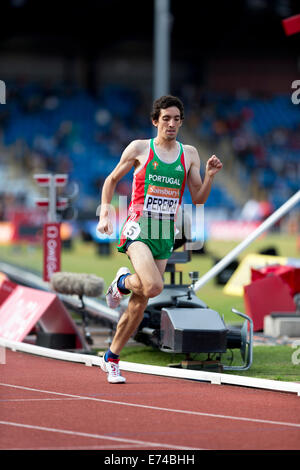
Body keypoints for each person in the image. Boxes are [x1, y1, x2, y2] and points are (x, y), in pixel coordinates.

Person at [97, 95, 222, 383]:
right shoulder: (140, 148)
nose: (172, 123)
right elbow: (111, 179)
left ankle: (112, 357)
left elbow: (198, 199)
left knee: (139, 303)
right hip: (138, 227)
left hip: (165, 233)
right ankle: (121, 282)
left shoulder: (189, 153)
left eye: (177, 119)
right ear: (155, 121)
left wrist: (210, 176)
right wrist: (105, 214)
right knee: (153, 286)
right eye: (166, 118)